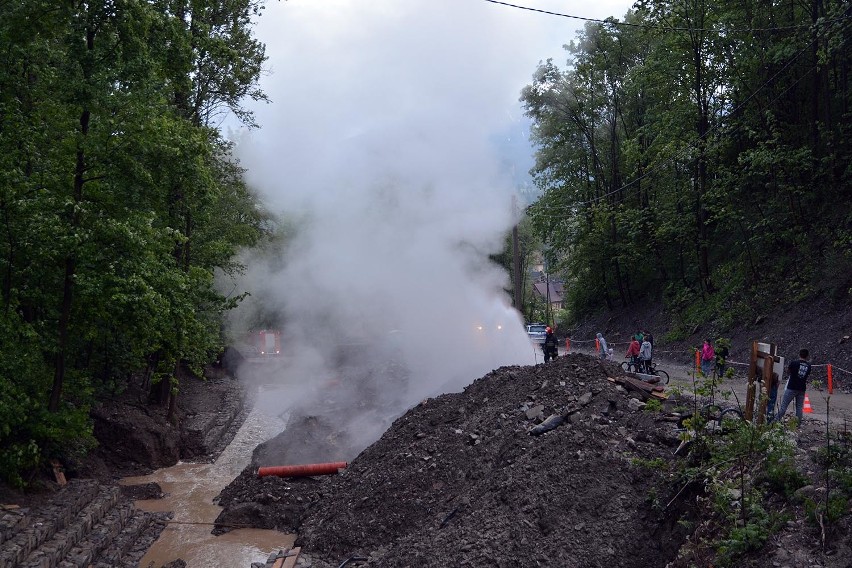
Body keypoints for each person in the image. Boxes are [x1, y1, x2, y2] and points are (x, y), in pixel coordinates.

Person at [776, 349, 812, 428]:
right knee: (799, 407)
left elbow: (788, 371)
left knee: (783, 406)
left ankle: (775, 421)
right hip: (802, 388)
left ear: (799, 354)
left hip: (792, 387)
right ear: (807, 356)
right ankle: (797, 424)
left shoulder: (794, 363)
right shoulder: (809, 366)